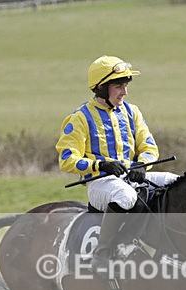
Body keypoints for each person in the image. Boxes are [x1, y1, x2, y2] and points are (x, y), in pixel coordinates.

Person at [55, 55, 178, 275]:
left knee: (176, 182)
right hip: (101, 184)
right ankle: (102, 252)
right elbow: (67, 160)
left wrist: (143, 165)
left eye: (126, 85)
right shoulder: (79, 118)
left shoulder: (132, 112)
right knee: (127, 197)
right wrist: (100, 165)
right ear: (101, 88)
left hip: (130, 177)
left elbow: (150, 147)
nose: (125, 92)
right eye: (118, 86)